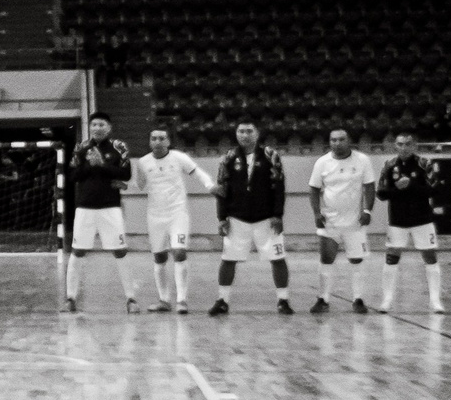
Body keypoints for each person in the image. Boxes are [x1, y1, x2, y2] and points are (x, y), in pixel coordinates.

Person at [210, 119, 292, 315]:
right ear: (236, 134)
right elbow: (222, 190)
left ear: (257, 133)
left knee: (278, 258)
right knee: (228, 259)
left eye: (249, 131)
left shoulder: (270, 155)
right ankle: (222, 300)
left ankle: (283, 300)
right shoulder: (228, 158)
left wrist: (278, 215)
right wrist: (222, 218)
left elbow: (279, 187)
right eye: (241, 131)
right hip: (237, 218)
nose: (244, 135)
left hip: (266, 218)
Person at [134, 128, 213, 312]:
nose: (158, 141)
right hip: (155, 216)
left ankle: (182, 300)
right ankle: (164, 300)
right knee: (159, 257)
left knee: (179, 253)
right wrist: (125, 182)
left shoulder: (179, 158)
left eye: (162, 138)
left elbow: (198, 173)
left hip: (178, 213)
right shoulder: (143, 162)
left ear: (168, 141)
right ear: (150, 141)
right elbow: (139, 186)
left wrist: (210, 186)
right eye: (154, 138)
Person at [65, 114, 138, 313]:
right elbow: (72, 175)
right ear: (90, 127)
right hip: (85, 207)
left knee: (120, 251)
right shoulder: (81, 148)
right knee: (78, 251)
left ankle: (131, 299)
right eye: (94, 124)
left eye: (102, 124)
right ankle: (70, 298)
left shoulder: (119, 147)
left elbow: (126, 174)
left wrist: (102, 165)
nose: (97, 127)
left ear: (109, 127)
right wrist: (89, 165)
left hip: (110, 207)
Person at [307, 128, 377, 313]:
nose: (337, 143)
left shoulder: (362, 160)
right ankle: (323, 299)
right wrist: (316, 213)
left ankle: (358, 299)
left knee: (357, 260)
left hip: (355, 223)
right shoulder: (322, 162)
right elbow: (314, 189)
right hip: (329, 222)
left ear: (349, 141)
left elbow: (369, 186)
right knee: (326, 259)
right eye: (333, 140)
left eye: (341, 139)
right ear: (329, 142)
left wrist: (367, 210)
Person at [374, 132, 445, 313]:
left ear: (415, 146)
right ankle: (387, 300)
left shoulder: (425, 164)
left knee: (430, 257)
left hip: (422, 219)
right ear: (395, 146)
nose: (403, 148)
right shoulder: (389, 165)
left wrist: (412, 185)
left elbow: (435, 190)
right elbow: (381, 193)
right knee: (391, 258)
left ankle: (435, 301)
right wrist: (397, 188)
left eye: (407, 144)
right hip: (398, 220)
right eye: (400, 144)